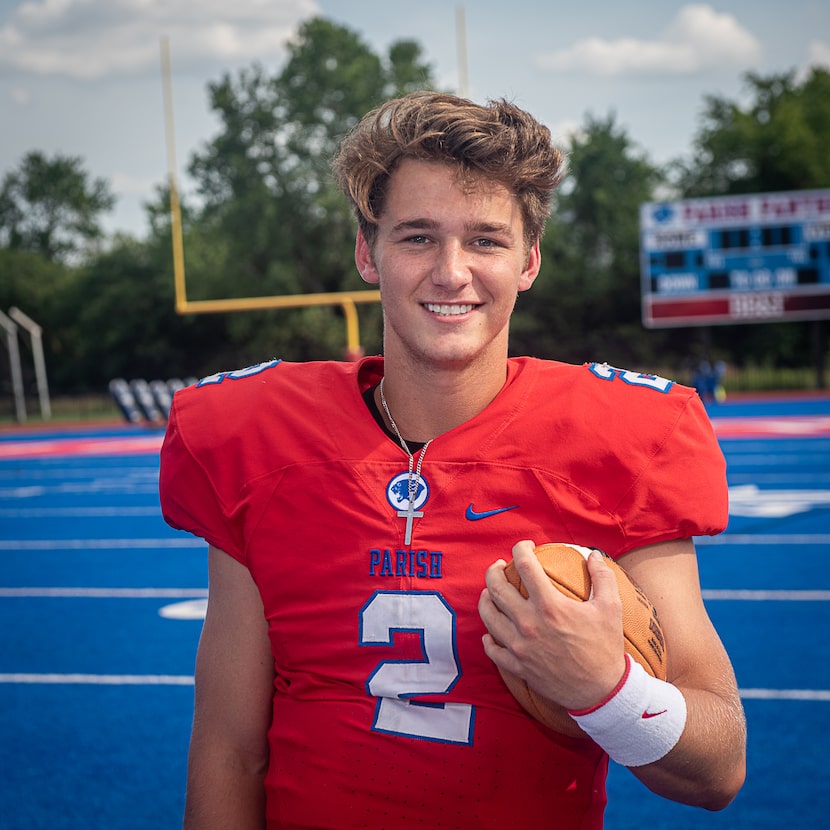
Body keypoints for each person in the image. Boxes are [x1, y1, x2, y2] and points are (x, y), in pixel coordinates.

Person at [159, 91, 746, 829]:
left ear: (529, 260)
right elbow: (228, 748)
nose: (451, 271)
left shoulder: (620, 442)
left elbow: (719, 767)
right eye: (416, 237)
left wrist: (608, 687)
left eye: (486, 241)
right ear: (367, 253)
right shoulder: (261, 441)